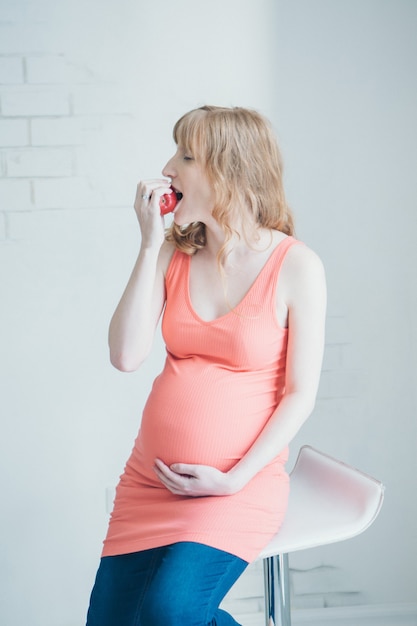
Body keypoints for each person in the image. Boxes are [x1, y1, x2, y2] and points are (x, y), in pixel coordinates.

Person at [86, 105, 327, 626]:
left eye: (186, 155)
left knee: (169, 613)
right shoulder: (173, 253)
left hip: (237, 487)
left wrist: (234, 479)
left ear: (229, 170)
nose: (168, 167)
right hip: (149, 485)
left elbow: (299, 394)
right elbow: (125, 356)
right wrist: (150, 243)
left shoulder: (296, 266)